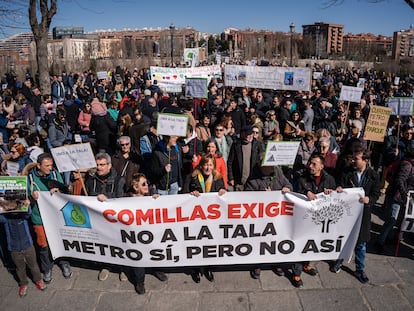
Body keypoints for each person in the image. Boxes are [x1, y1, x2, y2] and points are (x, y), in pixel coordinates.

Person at [335, 148, 380, 283]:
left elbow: (376, 194)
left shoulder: (373, 175)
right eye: (353, 158)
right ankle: (339, 260)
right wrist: (339, 189)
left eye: (356, 159)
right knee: (343, 238)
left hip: (363, 214)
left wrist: (369, 200)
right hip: (348, 214)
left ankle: (360, 269)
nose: (353, 161)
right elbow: (341, 186)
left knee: (361, 244)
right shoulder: (347, 172)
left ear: (365, 160)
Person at [27, 153, 72, 283]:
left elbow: (64, 191)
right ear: (38, 166)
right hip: (39, 218)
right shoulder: (30, 178)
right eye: (47, 166)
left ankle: (64, 263)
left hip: (55, 217)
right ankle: (47, 268)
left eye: (51, 165)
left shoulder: (54, 174)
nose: (50, 168)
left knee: (60, 241)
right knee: (43, 245)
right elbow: (24, 200)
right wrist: (31, 197)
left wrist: (59, 191)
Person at [293, 154, 336, 287]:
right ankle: (296, 273)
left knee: (312, 244)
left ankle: (306, 265)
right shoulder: (302, 179)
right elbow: (294, 195)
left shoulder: (329, 179)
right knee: (301, 245)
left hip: (319, 220)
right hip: (303, 220)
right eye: (310, 163)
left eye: (314, 164)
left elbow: (335, 196)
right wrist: (306, 192)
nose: (310, 166)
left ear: (321, 167)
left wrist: (332, 192)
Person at [244, 162, 292, 279]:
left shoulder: (277, 172)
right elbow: (246, 196)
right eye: (268, 166)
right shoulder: (253, 178)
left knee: (275, 240)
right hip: (260, 218)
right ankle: (257, 264)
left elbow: (288, 184)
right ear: (261, 166)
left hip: (276, 216)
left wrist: (287, 188)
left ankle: (276, 263)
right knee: (260, 241)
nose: (272, 167)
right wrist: (262, 196)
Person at [84, 152, 126, 282]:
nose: (99, 168)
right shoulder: (91, 180)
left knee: (119, 244)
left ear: (109, 165)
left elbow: (122, 202)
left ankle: (123, 267)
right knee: (103, 244)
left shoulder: (120, 180)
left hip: (115, 221)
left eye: (102, 165)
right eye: (97, 165)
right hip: (99, 222)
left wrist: (107, 200)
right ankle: (106, 265)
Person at [127, 173, 168, 294]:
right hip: (135, 234)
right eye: (143, 184)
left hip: (151, 232)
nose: (147, 186)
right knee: (138, 256)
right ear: (135, 187)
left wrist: (157, 200)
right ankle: (139, 281)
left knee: (155, 250)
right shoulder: (126, 200)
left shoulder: (150, 196)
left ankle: (157, 270)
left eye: (147, 183)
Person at [189, 154, 226, 282]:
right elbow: (183, 195)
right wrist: (191, 194)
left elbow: (224, 191)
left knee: (209, 243)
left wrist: (223, 191)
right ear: (201, 165)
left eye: (210, 165)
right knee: (196, 243)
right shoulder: (193, 177)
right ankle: (196, 269)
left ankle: (209, 268)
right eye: (205, 164)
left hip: (212, 219)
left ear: (214, 166)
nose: (207, 167)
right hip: (196, 218)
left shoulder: (218, 178)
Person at [0, 205, 46, 297]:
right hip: (14, 248)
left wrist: (27, 204)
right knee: (19, 268)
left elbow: (28, 212)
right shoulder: (6, 219)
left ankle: (38, 280)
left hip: (28, 245)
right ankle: (23, 283)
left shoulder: (23, 216)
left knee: (33, 265)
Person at [227, 125, 262, 191]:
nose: (249, 136)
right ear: (242, 134)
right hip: (239, 181)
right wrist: (231, 178)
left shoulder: (257, 145)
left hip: (253, 182)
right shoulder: (236, 145)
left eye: (250, 134)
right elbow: (230, 162)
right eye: (247, 134)